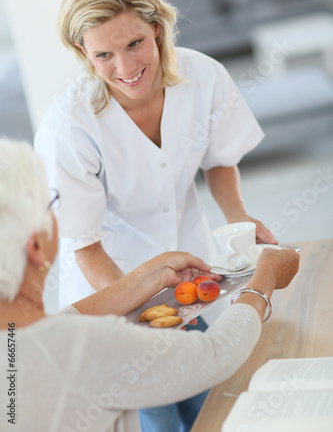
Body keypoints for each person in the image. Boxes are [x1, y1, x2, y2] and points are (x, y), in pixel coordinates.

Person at [34, 0, 278, 431]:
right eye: (103, 54)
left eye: (134, 44)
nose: (126, 69)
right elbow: (85, 246)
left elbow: (220, 158)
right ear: (81, 51)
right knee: (159, 419)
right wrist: (149, 319)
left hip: (191, 277)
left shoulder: (203, 76)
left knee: (215, 408)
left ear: (157, 27)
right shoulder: (70, 126)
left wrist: (239, 217)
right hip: (113, 297)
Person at [0, 139, 299, 432]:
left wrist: (146, 277)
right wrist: (264, 279)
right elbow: (214, 354)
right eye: (50, 203)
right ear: (36, 245)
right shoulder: (82, 349)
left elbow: (51, 332)